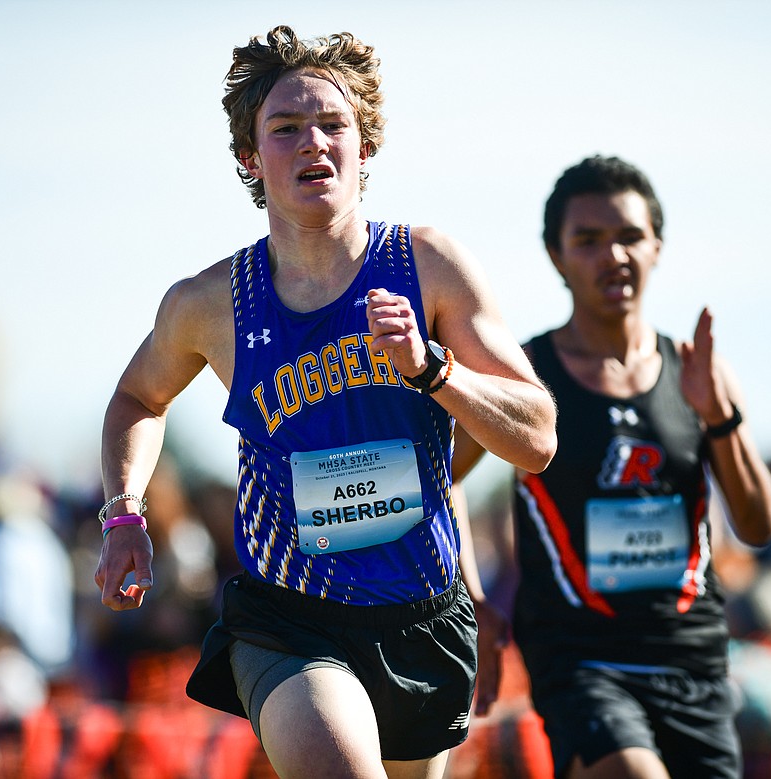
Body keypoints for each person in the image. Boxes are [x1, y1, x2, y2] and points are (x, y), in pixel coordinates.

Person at [93, 25, 556, 779]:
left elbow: (537, 435)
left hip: (422, 618)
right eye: (286, 128)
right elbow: (137, 397)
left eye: (332, 124)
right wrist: (124, 512)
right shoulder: (210, 303)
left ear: (363, 146)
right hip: (290, 620)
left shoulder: (428, 265)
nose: (313, 142)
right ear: (250, 156)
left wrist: (434, 371)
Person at [453, 156, 771, 779]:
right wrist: (473, 597)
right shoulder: (524, 376)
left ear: (657, 246)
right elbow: (439, 476)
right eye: (589, 240)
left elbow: (761, 524)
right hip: (581, 663)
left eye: (630, 236)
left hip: (692, 660)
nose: (614, 256)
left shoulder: (698, 374)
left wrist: (719, 418)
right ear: (556, 256)